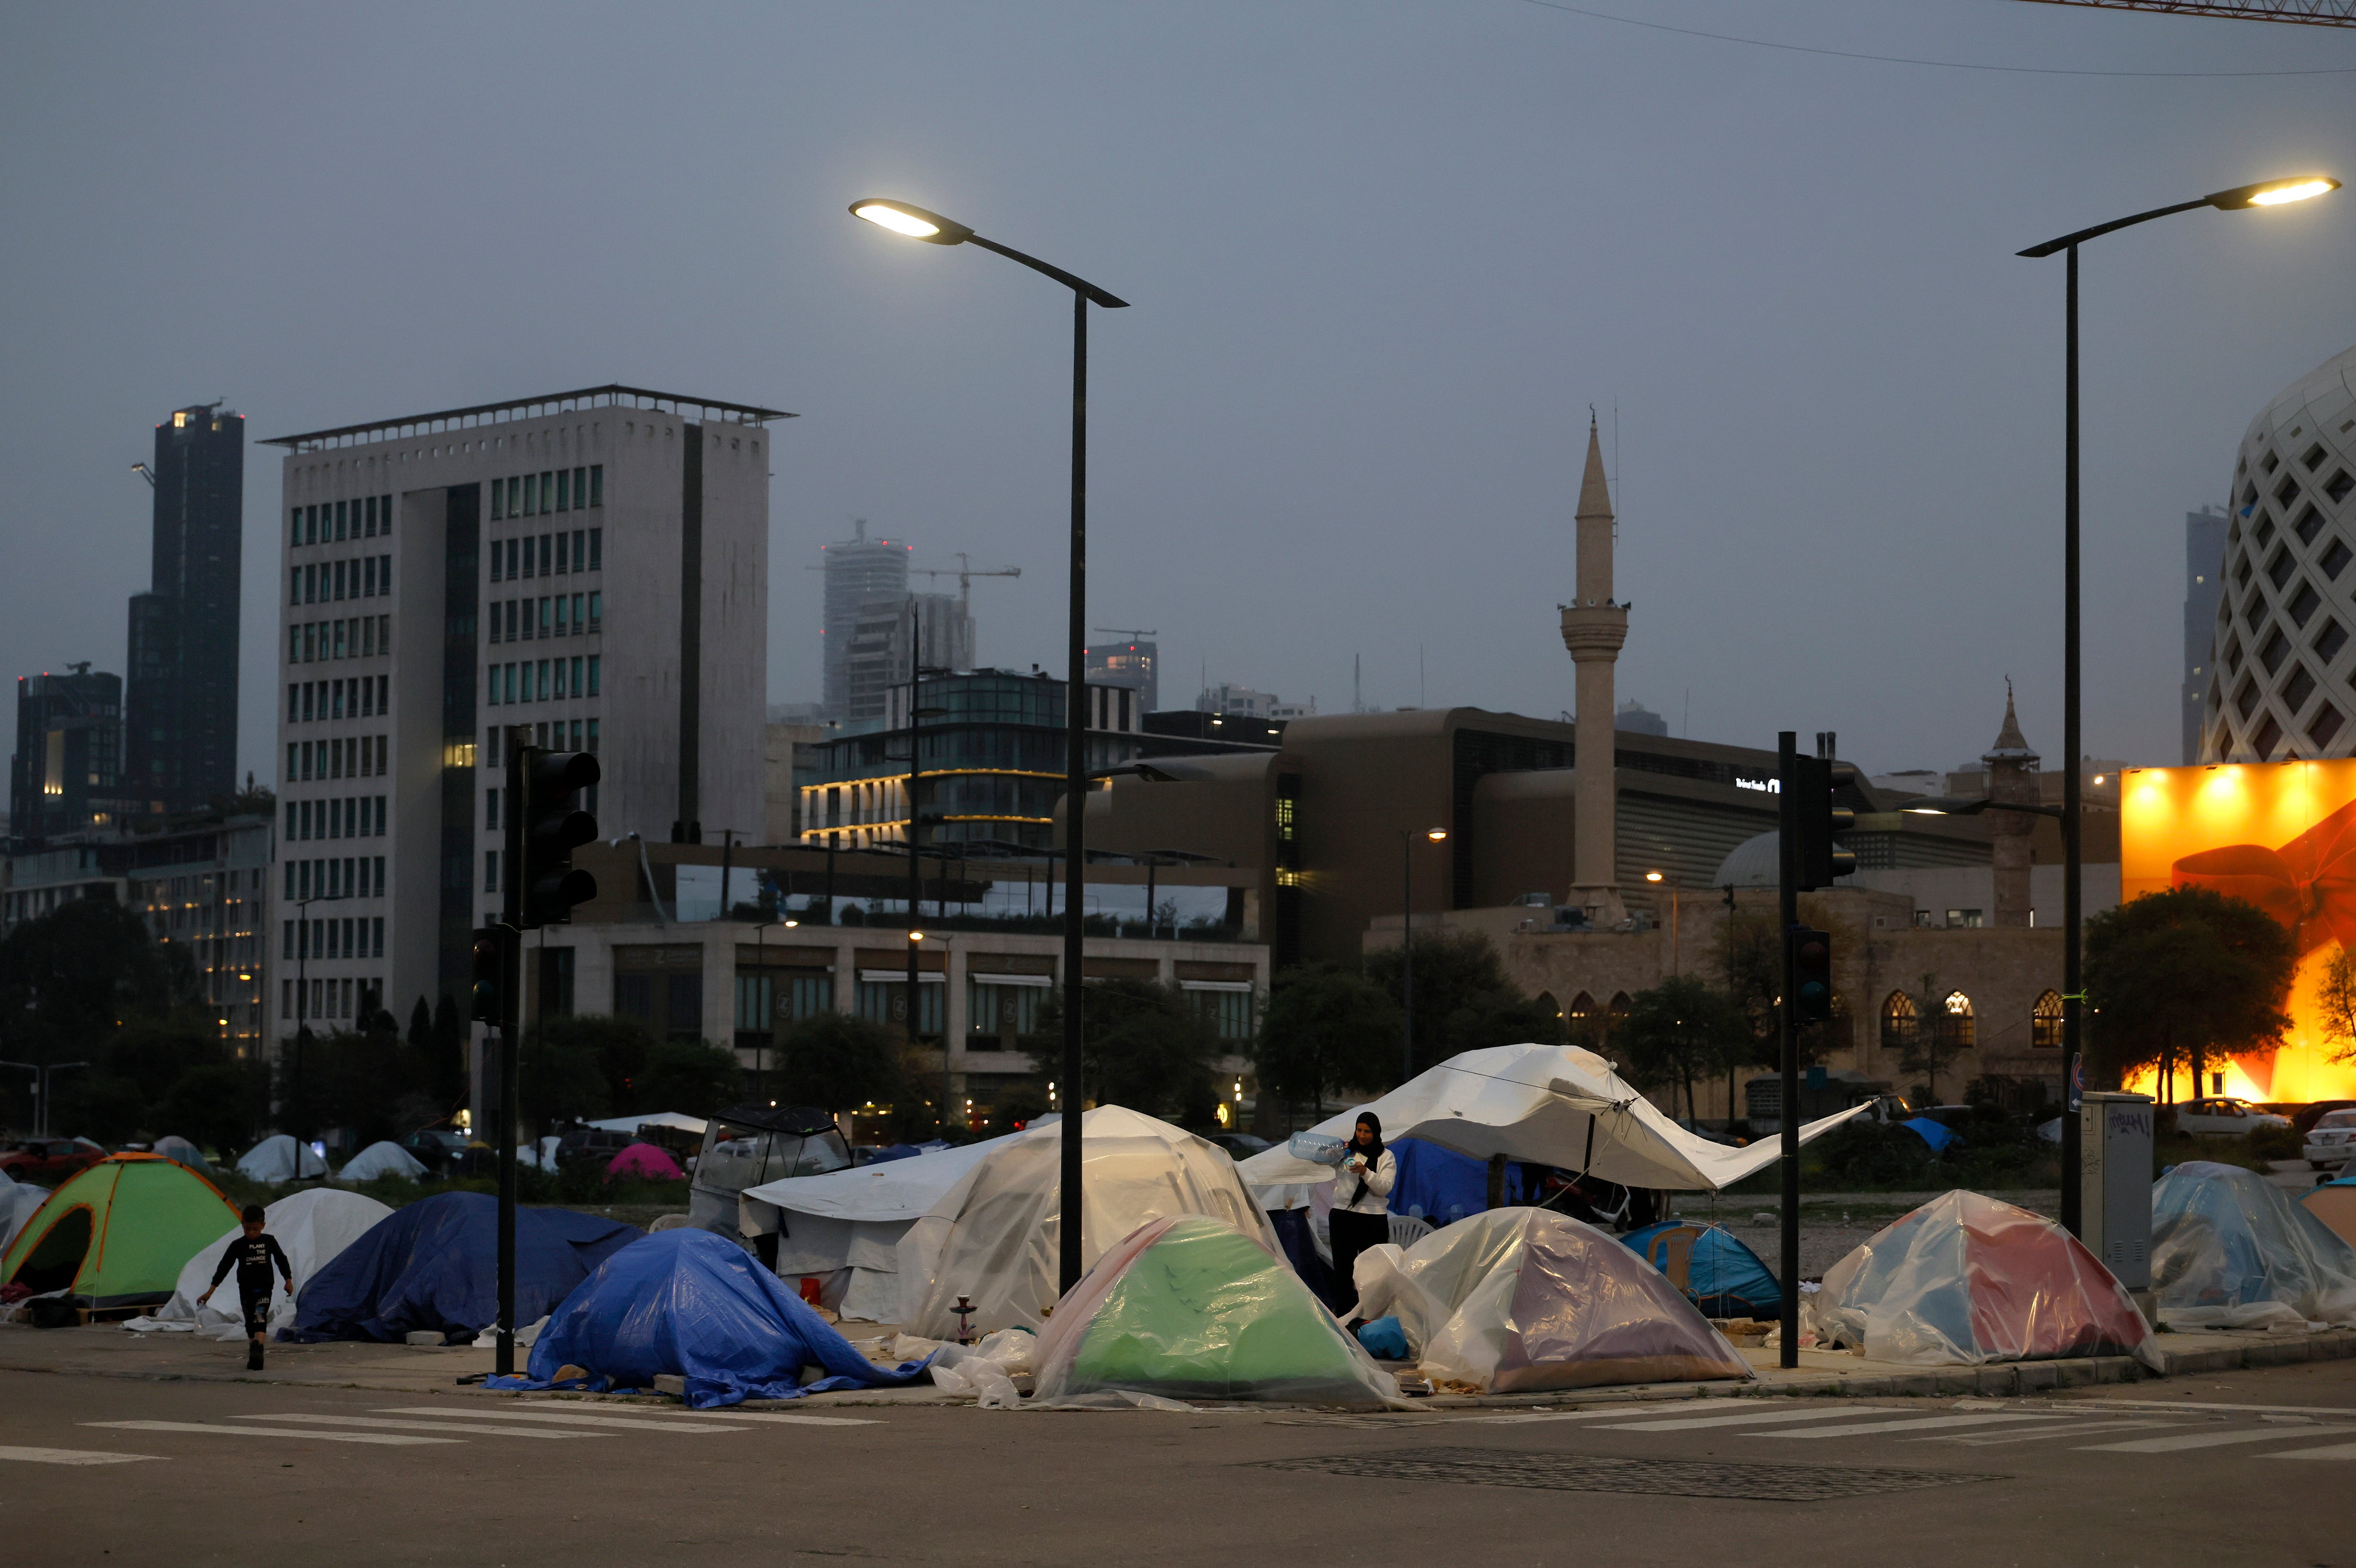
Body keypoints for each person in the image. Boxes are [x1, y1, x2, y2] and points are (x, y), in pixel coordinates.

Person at [198, 1204, 294, 1372]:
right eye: (247, 1229)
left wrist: (288, 1280)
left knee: (260, 1316)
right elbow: (224, 1267)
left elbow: (281, 1259)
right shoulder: (238, 1245)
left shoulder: (269, 1241)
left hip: (264, 1288)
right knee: (250, 1320)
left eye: (255, 1229)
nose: (251, 1233)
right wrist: (210, 1291)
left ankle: (259, 1349)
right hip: (246, 1289)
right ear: (242, 1225)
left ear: (263, 1226)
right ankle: (254, 1349)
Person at [1327, 1113, 1396, 1321]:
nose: (1363, 1135)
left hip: (1372, 1218)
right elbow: (1321, 1160)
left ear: (1376, 1133)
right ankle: (1345, 1319)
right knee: (1343, 1271)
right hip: (1342, 1215)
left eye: (1368, 1131)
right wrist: (1333, 1152)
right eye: (1360, 1130)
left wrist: (1366, 1172)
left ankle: (1370, 1318)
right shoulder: (1346, 1152)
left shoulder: (1386, 1157)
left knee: (1372, 1273)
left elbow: (1385, 1188)